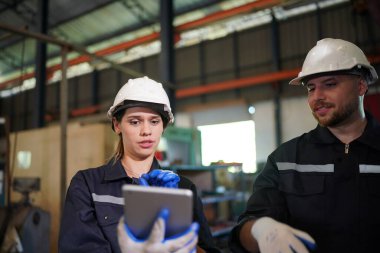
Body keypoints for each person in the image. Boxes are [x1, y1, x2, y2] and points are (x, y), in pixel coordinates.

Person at [229, 38, 380, 253]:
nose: (317, 97)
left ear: (361, 85)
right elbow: (246, 226)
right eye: (311, 88)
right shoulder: (285, 160)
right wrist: (262, 230)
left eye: (330, 84)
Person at [58, 76, 221, 253]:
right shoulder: (88, 185)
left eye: (154, 121)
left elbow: (208, 249)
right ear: (117, 125)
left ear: (163, 127)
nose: (146, 131)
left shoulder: (183, 188)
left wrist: (180, 239)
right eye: (135, 122)